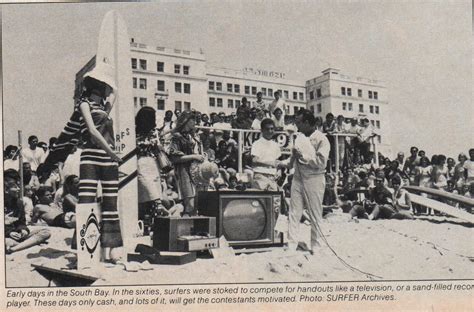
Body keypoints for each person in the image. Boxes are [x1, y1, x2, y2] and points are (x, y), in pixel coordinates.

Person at [75, 66, 124, 262]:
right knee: (86, 202)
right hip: (93, 156)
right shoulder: (84, 104)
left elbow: (115, 92)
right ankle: (87, 250)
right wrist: (113, 154)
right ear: (99, 86)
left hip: (107, 159)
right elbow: (93, 133)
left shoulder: (104, 108)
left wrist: (106, 75)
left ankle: (112, 248)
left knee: (111, 204)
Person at [278, 109, 330, 254]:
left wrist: (304, 157)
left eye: (299, 122)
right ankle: (292, 245)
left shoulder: (322, 139)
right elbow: (292, 160)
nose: (297, 126)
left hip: (314, 178)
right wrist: (282, 163)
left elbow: (321, 162)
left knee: (314, 213)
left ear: (307, 122)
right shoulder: (299, 137)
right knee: (294, 212)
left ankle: (316, 246)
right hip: (298, 178)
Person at [135, 106, 170, 231]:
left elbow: (159, 148)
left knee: (154, 195)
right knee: (147, 194)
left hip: (152, 164)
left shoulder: (154, 132)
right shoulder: (135, 132)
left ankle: (152, 227)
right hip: (140, 164)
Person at [168, 111, 205, 215]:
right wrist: (194, 156)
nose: (195, 122)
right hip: (183, 171)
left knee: (197, 204)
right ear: (186, 121)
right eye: (192, 119)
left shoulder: (193, 137)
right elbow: (175, 158)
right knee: (190, 204)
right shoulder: (177, 137)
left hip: (196, 170)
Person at [4, 180, 51, 254]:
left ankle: (15, 248)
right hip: (6, 235)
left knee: (45, 232)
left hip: (17, 234)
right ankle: (27, 244)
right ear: (6, 190)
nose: (18, 189)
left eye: (18, 187)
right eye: (15, 187)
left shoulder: (19, 203)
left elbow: (21, 222)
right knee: (6, 242)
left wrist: (23, 230)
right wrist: (9, 233)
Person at [250, 118, 282, 191]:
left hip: (273, 177)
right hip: (260, 176)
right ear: (262, 130)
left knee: (274, 200)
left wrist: (279, 170)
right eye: (267, 129)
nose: (270, 131)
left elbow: (277, 161)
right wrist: (269, 164)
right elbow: (254, 161)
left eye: (272, 129)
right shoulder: (257, 144)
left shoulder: (276, 145)